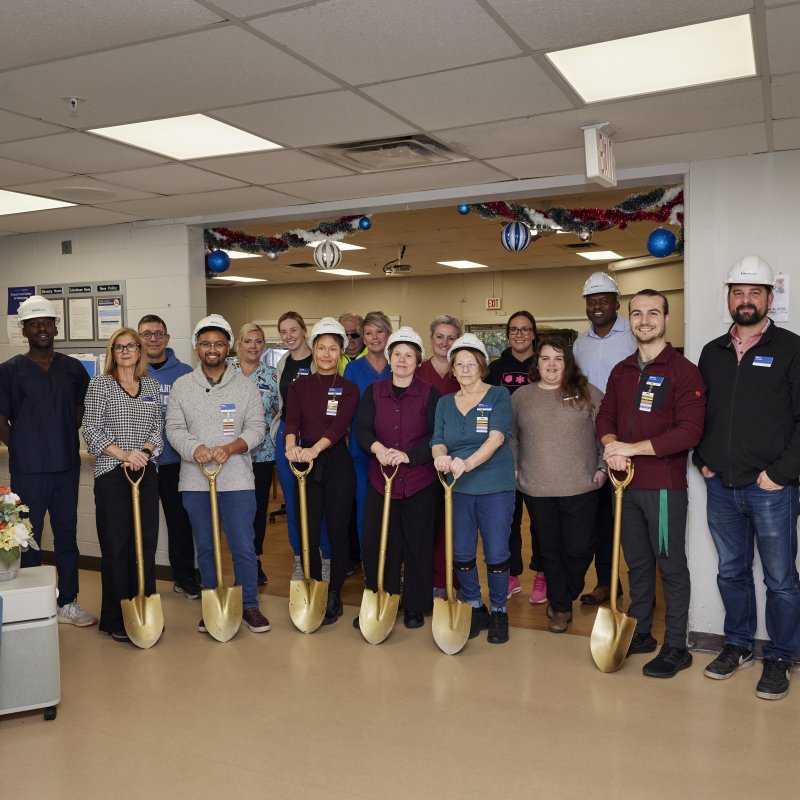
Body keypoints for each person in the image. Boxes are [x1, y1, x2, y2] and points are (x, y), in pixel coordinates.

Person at [694, 255, 800, 701]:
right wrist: (702, 456)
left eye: (754, 292)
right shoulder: (712, 352)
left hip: (771, 488)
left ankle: (779, 655)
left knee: (779, 578)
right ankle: (736, 644)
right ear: (729, 298)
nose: (746, 300)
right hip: (721, 485)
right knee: (731, 572)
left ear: (769, 299)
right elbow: (698, 412)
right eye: (738, 292)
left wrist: (781, 473)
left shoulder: (792, 348)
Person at [596, 290, 706, 678]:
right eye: (637, 313)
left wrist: (633, 448)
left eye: (653, 313)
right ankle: (641, 631)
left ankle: (677, 645)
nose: (645, 320)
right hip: (623, 486)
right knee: (637, 564)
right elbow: (605, 418)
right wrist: (613, 449)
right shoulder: (622, 370)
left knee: (670, 566)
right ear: (629, 320)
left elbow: (689, 433)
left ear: (666, 318)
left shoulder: (683, 371)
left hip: (663, 488)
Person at [166, 314, 270, 634]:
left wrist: (233, 446)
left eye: (219, 344)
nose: (213, 349)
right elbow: (173, 427)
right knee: (207, 546)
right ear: (197, 347)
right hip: (196, 480)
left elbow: (257, 429)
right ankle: (213, 603)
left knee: (243, 544)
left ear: (229, 348)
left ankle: (249, 605)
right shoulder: (184, 386)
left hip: (236, 478)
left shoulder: (246, 387)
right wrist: (194, 447)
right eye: (206, 343)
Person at [0, 295, 96, 627]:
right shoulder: (9, 371)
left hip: (66, 466)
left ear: (56, 327)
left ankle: (68, 601)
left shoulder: (72, 368)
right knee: (29, 537)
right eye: (34, 323)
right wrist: (23, 446)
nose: (42, 327)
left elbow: (82, 409)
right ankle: (31, 603)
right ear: (23, 329)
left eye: (47, 322)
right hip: (28, 471)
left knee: (67, 534)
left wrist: (61, 433)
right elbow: (0, 418)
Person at [510, 336, 605, 633]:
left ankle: (564, 592)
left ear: (568, 363)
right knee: (549, 550)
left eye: (558, 359)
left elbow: (606, 433)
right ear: (536, 363)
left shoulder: (588, 393)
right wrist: (514, 466)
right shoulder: (521, 397)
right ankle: (561, 607)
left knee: (579, 549)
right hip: (537, 488)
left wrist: (603, 467)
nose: (551, 364)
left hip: (582, 485)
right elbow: (511, 437)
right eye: (546, 358)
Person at [431, 333, 515, 645]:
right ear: (452, 369)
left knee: (496, 551)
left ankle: (499, 610)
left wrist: (466, 463)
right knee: (462, 552)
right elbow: (437, 440)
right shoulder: (443, 403)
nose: (465, 369)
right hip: (458, 487)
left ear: (481, 366)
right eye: (459, 364)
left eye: (471, 363)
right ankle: (475, 606)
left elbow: (496, 438)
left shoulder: (499, 395)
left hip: (494, 484)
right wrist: (441, 459)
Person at [355, 327, 441, 629]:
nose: (402, 360)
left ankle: (416, 605)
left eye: (408, 355)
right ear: (389, 359)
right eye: (397, 355)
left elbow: (436, 436)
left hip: (420, 481)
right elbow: (362, 430)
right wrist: (379, 449)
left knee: (418, 544)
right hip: (382, 482)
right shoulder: (373, 392)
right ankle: (383, 597)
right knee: (379, 542)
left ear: (417, 360)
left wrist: (409, 456)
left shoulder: (431, 394)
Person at [82, 327, 163, 642]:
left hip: (145, 470)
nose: (126, 352)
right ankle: (116, 617)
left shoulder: (152, 386)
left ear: (140, 351)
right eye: (119, 347)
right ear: (111, 352)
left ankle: (144, 608)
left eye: (132, 346)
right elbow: (91, 428)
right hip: (112, 472)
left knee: (145, 543)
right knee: (116, 546)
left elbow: (158, 427)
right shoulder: (101, 384)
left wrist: (142, 453)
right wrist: (123, 454)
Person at [284, 317, 359, 625]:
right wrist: (292, 446)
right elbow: (292, 423)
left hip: (336, 461)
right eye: (321, 348)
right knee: (309, 531)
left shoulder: (350, 388)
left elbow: (340, 425)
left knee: (339, 533)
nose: (326, 354)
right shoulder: (299, 386)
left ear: (341, 352)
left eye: (333, 348)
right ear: (313, 350)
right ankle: (314, 586)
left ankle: (334, 594)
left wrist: (315, 449)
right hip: (304, 464)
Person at [572, 272, 637, 607]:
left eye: (603, 300)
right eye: (591, 301)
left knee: (632, 519)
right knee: (599, 518)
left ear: (616, 302)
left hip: (628, 440)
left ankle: (642, 589)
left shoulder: (633, 336)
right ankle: (607, 583)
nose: (597, 306)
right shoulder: (580, 343)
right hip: (589, 438)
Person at [137, 314, 200, 600]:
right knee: (141, 525)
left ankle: (184, 577)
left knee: (180, 523)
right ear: (139, 338)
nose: (153, 338)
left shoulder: (185, 372)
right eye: (147, 333)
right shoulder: (131, 370)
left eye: (159, 333)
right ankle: (141, 582)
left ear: (167, 338)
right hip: (141, 463)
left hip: (176, 462)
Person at [271, 311, 331, 580]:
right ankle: (300, 557)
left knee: (320, 501)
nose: (289, 336)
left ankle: (326, 557)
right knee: (293, 503)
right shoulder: (283, 362)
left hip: (315, 438)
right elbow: (282, 404)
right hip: (287, 436)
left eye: (293, 330)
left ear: (304, 330)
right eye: (283, 332)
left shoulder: (321, 359)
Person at [487, 311, 541, 603]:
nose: (519, 335)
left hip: (539, 453)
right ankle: (511, 575)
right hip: (502, 453)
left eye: (525, 329)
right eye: (514, 330)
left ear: (534, 333)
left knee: (540, 520)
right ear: (508, 334)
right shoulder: (495, 368)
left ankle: (542, 574)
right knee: (508, 518)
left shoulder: (544, 363)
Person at [228, 322, 279, 587]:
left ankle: (254, 561)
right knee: (235, 512)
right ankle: (239, 561)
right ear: (239, 343)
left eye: (258, 341)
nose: (253, 346)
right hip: (229, 455)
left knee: (257, 510)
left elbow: (280, 413)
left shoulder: (272, 376)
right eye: (248, 341)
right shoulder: (224, 371)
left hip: (262, 455)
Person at [417, 314, 461, 598]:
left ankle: (449, 580)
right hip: (422, 458)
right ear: (431, 339)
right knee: (426, 522)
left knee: (453, 525)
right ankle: (425, 579)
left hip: (457, 460)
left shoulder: (464, 371)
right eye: (439, 336)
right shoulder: (417, 371)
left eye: (451, 337)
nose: (445, 342)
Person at [344, 311, 393, 550]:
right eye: (369, 333)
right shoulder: (353, 371)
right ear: (363, 338)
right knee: (366, 509)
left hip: (395, 451)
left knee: (395, 509)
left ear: (388, 333)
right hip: (361, 452)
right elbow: (346, 411)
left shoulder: (398, 366)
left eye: (379, 331)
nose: (374, 338)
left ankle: (395, 563)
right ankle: (370, 565)